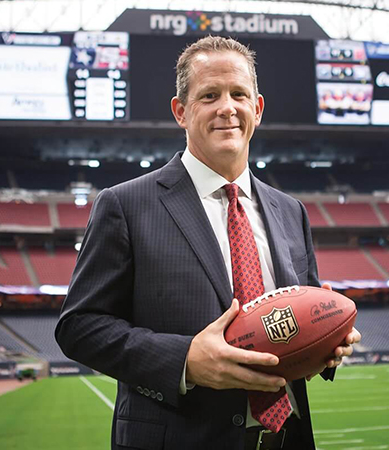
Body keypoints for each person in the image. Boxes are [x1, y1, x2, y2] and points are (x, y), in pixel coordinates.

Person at [55, 36, 361, 449]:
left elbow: (293, 324)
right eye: (209, 95)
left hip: (287, 439)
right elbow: (79, 327)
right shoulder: (125, 205)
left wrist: (327, 344)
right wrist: (185, 362)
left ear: (258, 108)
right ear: (181, 111)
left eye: (239, 94)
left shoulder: (292, 212)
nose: (227, 108)